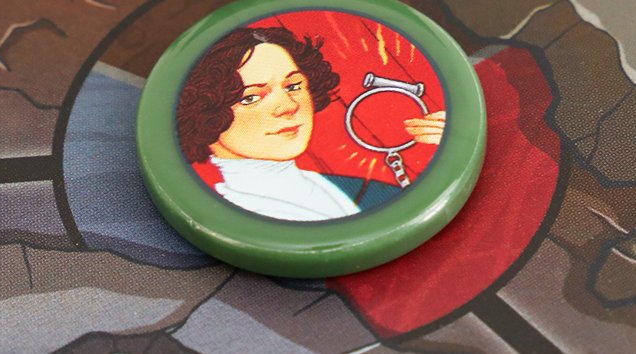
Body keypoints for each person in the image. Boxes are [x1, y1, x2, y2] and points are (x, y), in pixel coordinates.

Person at [176, 25, 443, 221]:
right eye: (251, 97)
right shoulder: (236, 213)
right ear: (204, 110)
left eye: (293, 86)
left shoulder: (357, 190)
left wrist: (447, 151)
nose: (289, 106)